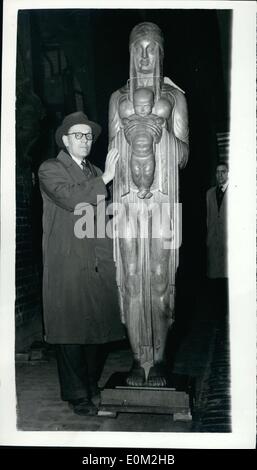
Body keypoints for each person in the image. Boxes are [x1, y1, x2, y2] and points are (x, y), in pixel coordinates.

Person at [109, 22, 189, 387]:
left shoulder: (174, 97)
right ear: (129, 52)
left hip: (161, 199)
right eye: (138, 47)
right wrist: (127, 137)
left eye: (151, 47)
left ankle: (157, 359)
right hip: (127, 200)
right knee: (128, 276)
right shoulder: (117, 98)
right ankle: (136, 359)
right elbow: (112, 152)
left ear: (160, 52)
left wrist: (164, 136)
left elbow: (185, 155)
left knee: (159, 278)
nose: (144, 55)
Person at [38, 111, 124, 416]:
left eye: (88, 136)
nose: (85, 140)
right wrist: (106, 180)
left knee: (97, 325)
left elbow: (103, 210)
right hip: (69, 259)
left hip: (97, 258)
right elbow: (72, 199)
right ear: (65, 140)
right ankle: (78, 395)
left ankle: (90, 383)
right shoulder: (50, 169)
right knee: (71, 329)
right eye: (78, 135)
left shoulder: (95, 171)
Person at [122, 87, 165, 199]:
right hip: (135, 155)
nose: (142, 110)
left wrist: (158, 129)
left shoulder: (154, 119)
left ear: (152, 104)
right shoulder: (131, 119)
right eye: (138, 106)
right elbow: (127, 137)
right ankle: (140, 188)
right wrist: (126, 129)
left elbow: (158, 138)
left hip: (148, 155)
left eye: (146, 106)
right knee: (136, 172)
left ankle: (145, 188)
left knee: (148, 172)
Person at [206, 162, 229, 323]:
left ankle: (228, 312)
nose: (219, 175)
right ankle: (216, 313)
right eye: (217, 172)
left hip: (229, 243)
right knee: (214, 278)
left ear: (228, 173)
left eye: (223, 172)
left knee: (228, 278)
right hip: (213, 241)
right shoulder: (209, 193)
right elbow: (209, 217)